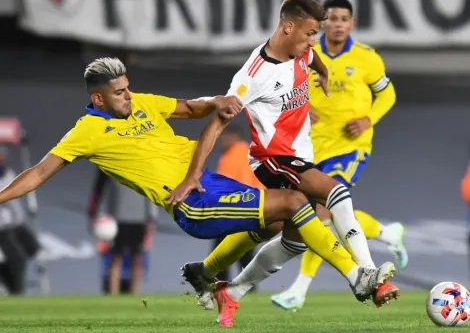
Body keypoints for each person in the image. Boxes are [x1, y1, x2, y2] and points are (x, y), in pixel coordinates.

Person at [0, 58, 392, 322]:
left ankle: (202, 273)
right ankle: (357, 275)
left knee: (281, 224)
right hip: (192, 201)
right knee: (294, 201)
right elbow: (38, 172)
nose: (128, 94)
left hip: (209, 179)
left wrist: (216, 102)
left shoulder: (142, 104)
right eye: (119, 92)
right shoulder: (85, 132)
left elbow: (189, 108)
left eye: (127, 86)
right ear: (97, 98)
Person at [170, 0, 399, 327]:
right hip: (272, 158)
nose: (312, 42)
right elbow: (216, 125)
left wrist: (320, 71)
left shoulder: (302, 51)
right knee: (335, 192)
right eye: (309, 34)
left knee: (291, 237)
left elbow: (312, 55)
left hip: (299, 155)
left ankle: (224, 289)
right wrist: (193, 175)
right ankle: (364, 273)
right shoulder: (253, 75)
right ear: (288, 27)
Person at [271, 0, 408, 311]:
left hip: (350, 148)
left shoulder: (366, 58)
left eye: (343, 19)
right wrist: (301, 108)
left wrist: (368, 119)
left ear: (351, 24)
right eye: (331, 18)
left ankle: (298, 291)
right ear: (322, 24)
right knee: (322, 217)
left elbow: (387, 93)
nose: (337, 24)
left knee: (321, 213)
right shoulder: (304, 55)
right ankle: (386, 232)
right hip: (311, 147)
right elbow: (284, 92)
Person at [87, 168, 158, 295]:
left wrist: (152, 217)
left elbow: (152, 191)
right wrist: (93, 213)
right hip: (115, 219)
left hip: (139, 218)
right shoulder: (108, 161)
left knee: (137, 257)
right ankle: (113, 297)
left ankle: (135, 294)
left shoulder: (145, 163)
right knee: (115, 257)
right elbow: (99, 189)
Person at [211, 126, 264, 286]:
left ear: (233, 136)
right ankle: (238, 286)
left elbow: (245, 183)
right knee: (238, 252)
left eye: (224, 137)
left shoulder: (240, 152)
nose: (222, 141)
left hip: (238, 212)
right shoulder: (229, 155)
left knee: (230, 252)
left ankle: (225, 286)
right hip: (235, 212)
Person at [0, 146, 40, 295]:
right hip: (3, 226)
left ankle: (5, 274)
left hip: (16, 223)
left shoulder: (8, 172)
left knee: (33, 246)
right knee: (18, 258)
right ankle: (16, 290)